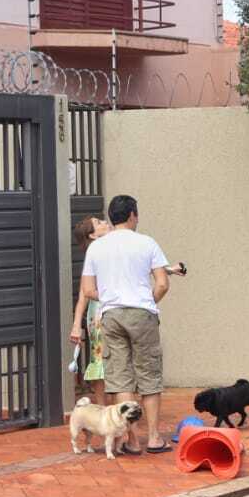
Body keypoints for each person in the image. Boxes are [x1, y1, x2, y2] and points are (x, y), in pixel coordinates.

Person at [80, 195, 174, 455]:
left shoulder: (96, 248)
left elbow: (88, 289)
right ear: (133, 215)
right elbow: (163, 282)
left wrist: (112, 298)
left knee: (121, 379)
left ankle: (131, 441)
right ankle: (154, 438)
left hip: (111, 316)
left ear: (112, 217)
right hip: (142, 313)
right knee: (149, 376)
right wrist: (147, 302)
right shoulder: (147, 243)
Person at [70, 215, 113, 406]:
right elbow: (83, 296)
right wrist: (76, 326)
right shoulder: (93, 256)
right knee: (101, 360)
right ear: (93, 236)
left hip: (113, 309)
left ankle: (113, 407)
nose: (105, 222)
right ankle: (104, 408)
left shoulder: (114, 247)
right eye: (98, 223)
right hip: (99, 315)